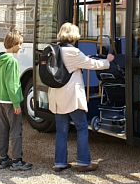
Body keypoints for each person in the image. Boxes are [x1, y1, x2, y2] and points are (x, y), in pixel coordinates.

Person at [48, 22, 114, 172]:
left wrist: (84, 59)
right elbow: (91, 64)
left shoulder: (54, 50)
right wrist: (107, 61)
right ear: (73, 36)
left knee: (61, 131)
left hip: (57, 97)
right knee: (82, 127)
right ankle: (84, 162)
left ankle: (60, 163)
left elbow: (77, 63)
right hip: (71, 97)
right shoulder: (73, 52)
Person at [0, 30, 32, 171]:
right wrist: (16, 103)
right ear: (13, 44)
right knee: (16, 130)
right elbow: (13, 84)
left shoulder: (1, 59)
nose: (20, 47)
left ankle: (3, 158)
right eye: (19, 44)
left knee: (2, 129)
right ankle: (17, 160)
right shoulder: (12, 61)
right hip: (10, 102)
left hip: (0, 99)